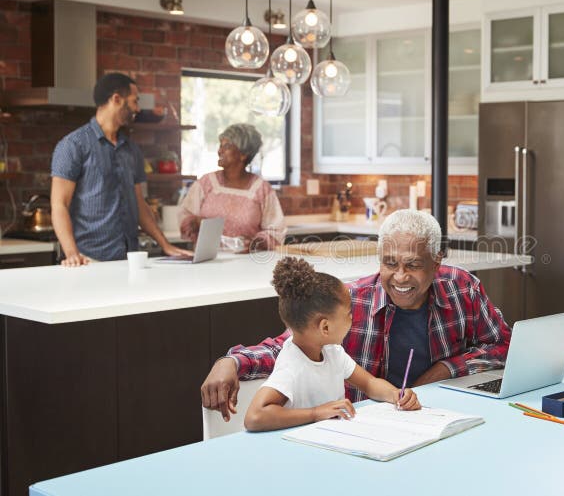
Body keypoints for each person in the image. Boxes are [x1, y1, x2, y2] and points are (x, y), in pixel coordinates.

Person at [201, 209, 511, 422]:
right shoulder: (351, 302)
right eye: (390, 263)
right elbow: (290, 346)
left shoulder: (462, 288)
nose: (400, 277)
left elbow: (503, 346)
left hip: (439, 417)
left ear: (436, 261)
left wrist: (445, 369)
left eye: (413, 265)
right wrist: (231, 361)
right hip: (365, 430)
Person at [244, 257, 420, 432]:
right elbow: (254, 417)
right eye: (348, 313)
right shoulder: (292, 365)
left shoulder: (332, 352)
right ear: (325, 327)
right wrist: (315, 413)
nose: (353, 318)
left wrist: (395, 394)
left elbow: (369, 383)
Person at [50, 72, 191, 265]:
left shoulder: (131, 150)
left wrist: (164, 244)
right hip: (88, 260)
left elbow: (139, 204)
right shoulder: (73, 145)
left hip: (128, 259)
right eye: (134, 101)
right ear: (116, 99)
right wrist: (72, 253)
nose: (137, 109)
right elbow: (59, 205)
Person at [178, 123, 286, 252]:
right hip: (207, 262)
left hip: (247, 264)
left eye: (227, 146)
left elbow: (276, 230)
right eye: (220, 145)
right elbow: (184, 217)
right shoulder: (206, 183)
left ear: (243, 154)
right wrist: (194, 222)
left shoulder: (261, 189)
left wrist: (255, 243)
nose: (219, 151)